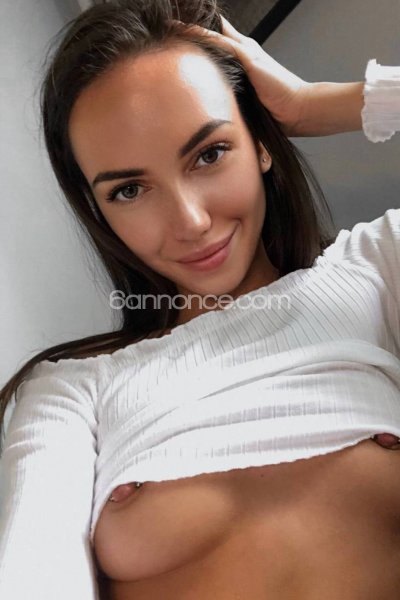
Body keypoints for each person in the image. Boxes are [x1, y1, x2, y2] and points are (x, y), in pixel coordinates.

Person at [0, 1, 400, 598]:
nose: (190, 221)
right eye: (129, 190)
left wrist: (320, 104)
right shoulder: (72, 391)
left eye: (209, 154)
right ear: (100, 213)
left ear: (260, 141)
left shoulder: (377, 268)